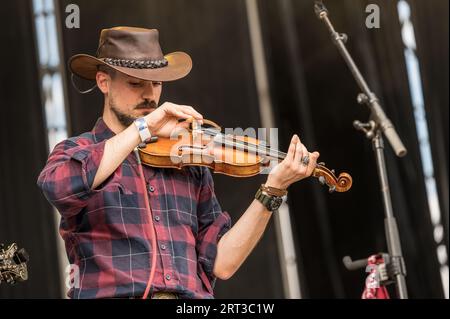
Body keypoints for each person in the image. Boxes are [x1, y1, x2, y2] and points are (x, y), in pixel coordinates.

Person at [37, 26, 320, 299]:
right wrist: (143, 128)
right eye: (135, 83)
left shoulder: (186, 159)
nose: (149, 95)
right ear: (103, 82)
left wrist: (273, 190)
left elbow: (222, 264)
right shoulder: (77, 150)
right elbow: (59, 188)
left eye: (157, 83)